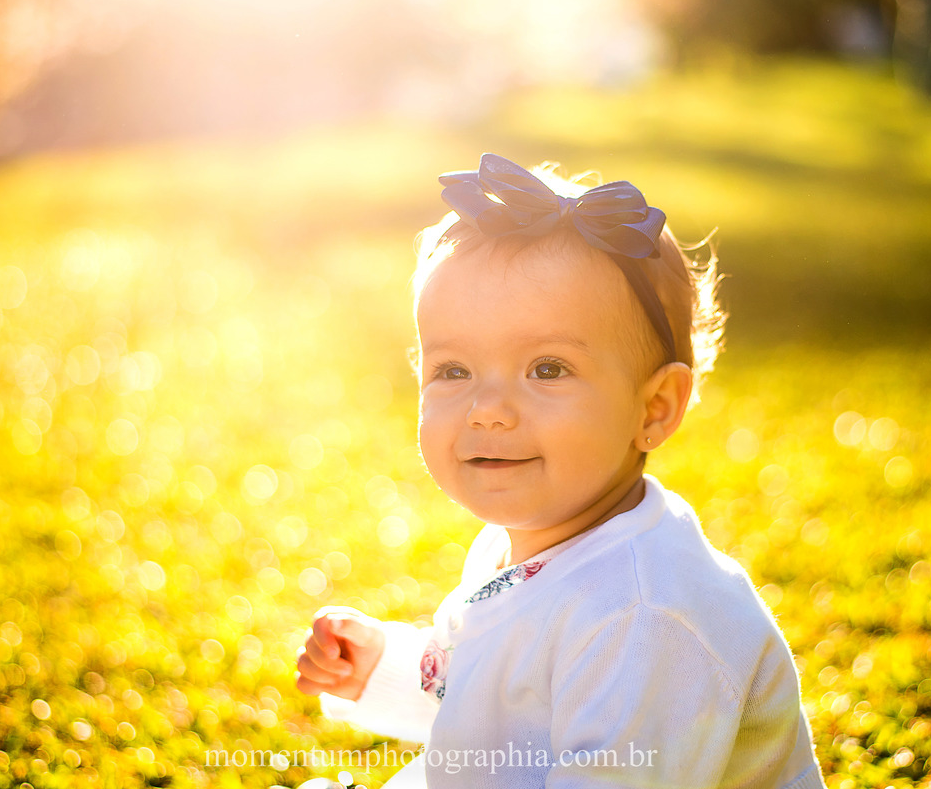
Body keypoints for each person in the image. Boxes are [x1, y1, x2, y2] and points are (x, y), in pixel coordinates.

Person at [295, 154, 826, 788]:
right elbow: (497, 713)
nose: (487, 409)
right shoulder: (530, 540)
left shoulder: (643, 617)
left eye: (547, 368)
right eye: (453, 370)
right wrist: (383, 666)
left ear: (654, 407)